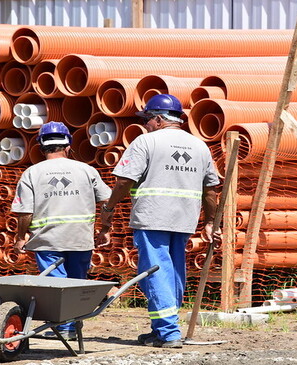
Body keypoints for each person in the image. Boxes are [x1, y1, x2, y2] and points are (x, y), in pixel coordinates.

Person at [100, 94, 220, 349]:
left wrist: (109, 207)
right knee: (173, 272)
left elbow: (124, 181)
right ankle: (162, 328)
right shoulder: (199, 146)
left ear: (157, 119)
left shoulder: (146, 142)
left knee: (155, 272)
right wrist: (210, 222)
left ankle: (168, 332)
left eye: (147, 120)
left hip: (153, 216)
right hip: (184, 219)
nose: (145, 125)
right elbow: (210, 190)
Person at [11, 120, 111, 340]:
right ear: (68, 145)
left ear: (40, 146)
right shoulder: (86, 170)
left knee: (56, 284)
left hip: (48, 241)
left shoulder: (32, 173)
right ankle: (73, 328)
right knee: (76, 283)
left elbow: (25, 212)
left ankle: (62, 328)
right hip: (80, 239)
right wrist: (105, 228)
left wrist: (20, 237)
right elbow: (107, 201)